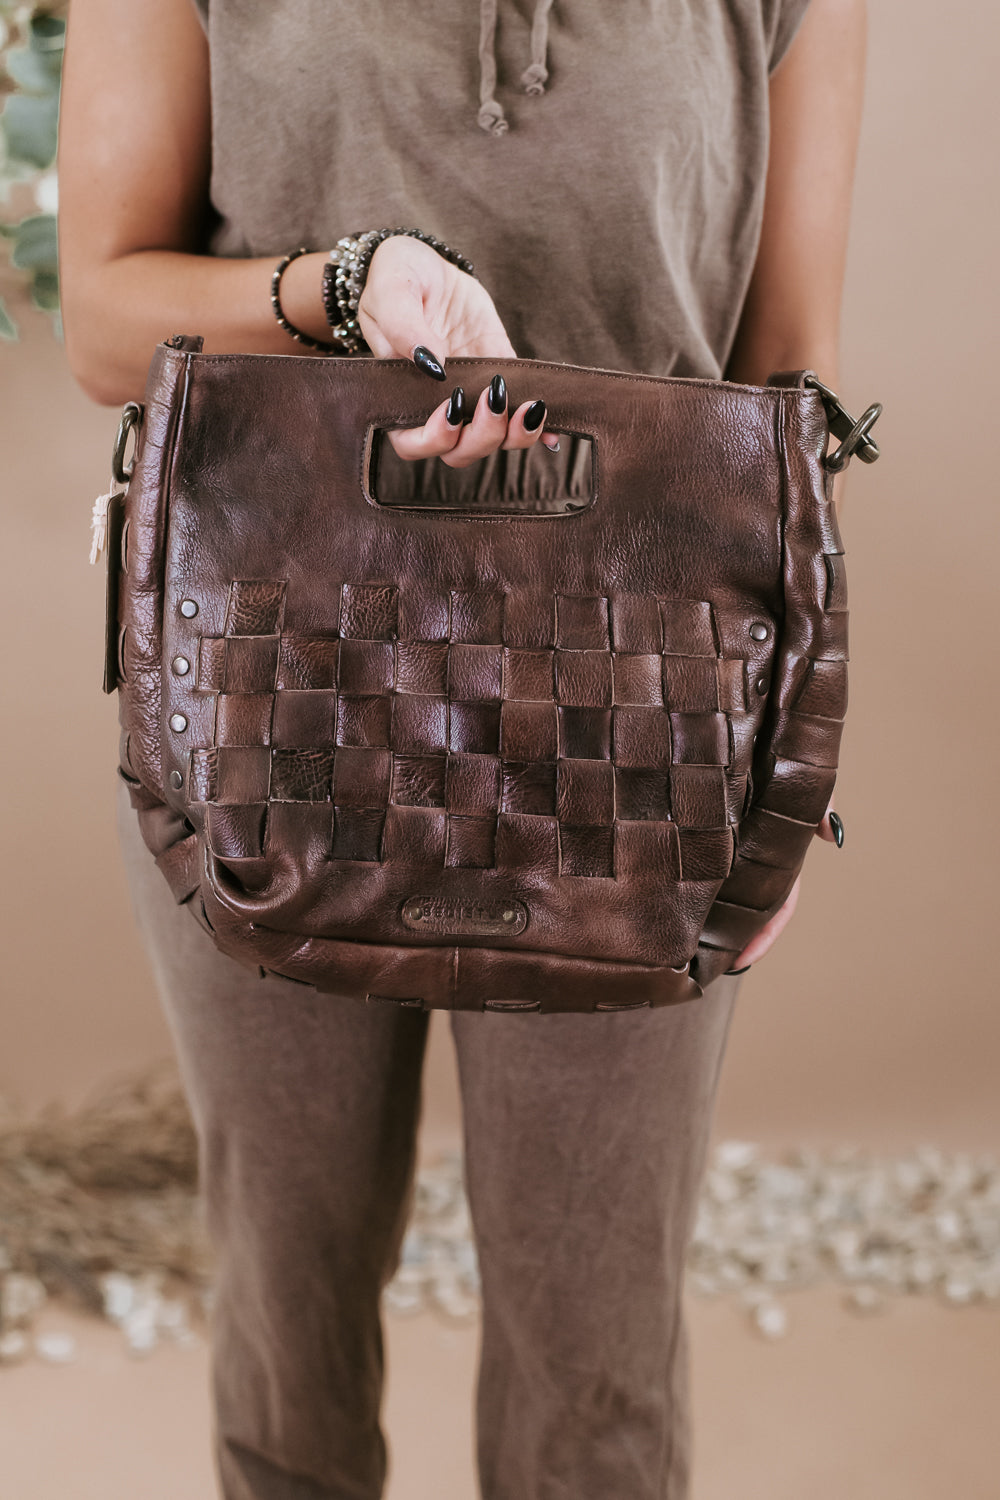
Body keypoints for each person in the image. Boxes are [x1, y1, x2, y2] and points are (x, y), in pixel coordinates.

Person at [57, 2, 865, 1495]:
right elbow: (104, 320)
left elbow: (789, 395)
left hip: (639, 737)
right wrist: (348, 288)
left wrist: (784, 758)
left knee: (598, 1380)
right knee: (286, 1333)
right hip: (271, 697)